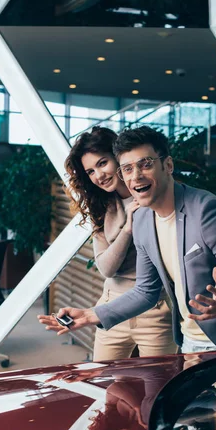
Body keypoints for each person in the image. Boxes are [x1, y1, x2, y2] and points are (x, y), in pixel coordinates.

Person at [39, 125, 216, 352]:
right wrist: (91, 314)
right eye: (128, 169)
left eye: (146, 164)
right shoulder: (141, 219)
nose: (136, 176)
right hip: (190, 343)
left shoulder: (207, 211)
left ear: (168, 165)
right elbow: (145, 291)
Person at [60, 126, 176, 360]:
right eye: (91, 171)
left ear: (119, 157)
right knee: (105, 384)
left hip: (156, 309)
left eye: (103, 163)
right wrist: (129, 229)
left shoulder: (155, 195)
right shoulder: (102, 207)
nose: (99, 176)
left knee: (159, 387)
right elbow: (106, 268)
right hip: (111, 304)